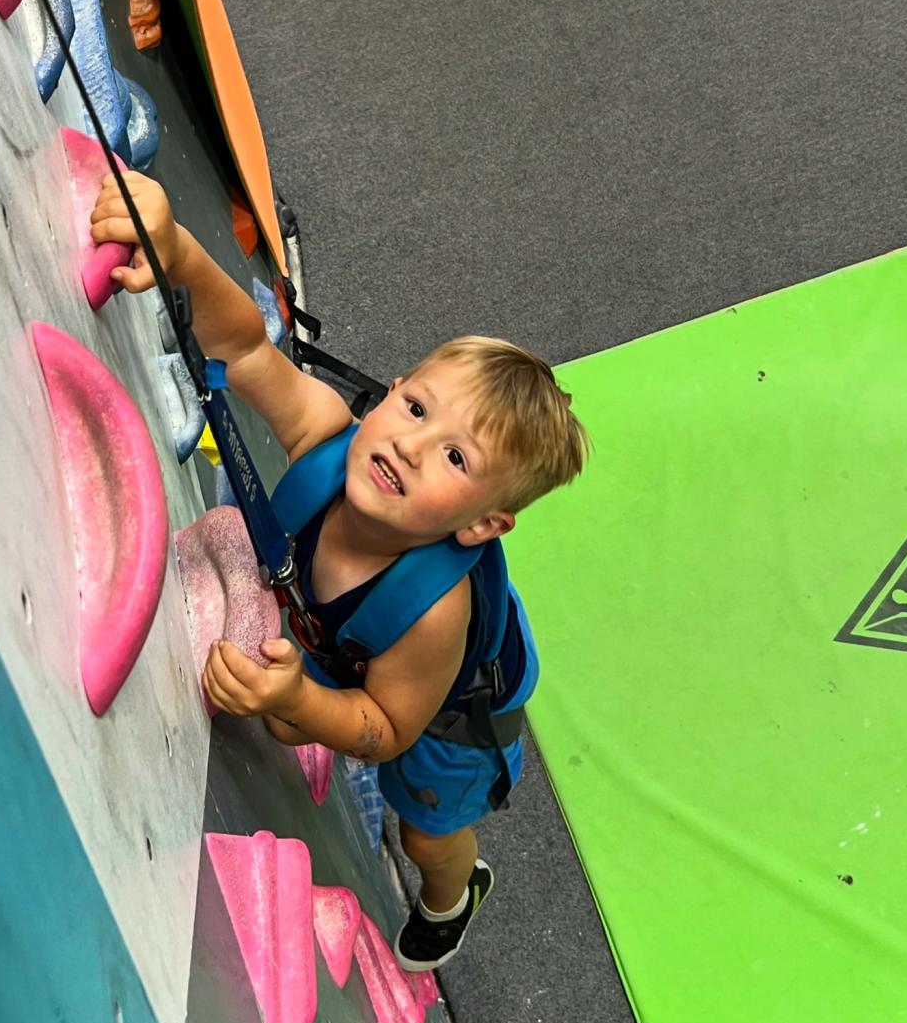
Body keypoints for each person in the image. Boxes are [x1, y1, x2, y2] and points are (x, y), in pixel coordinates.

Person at [92, 171, 588, 970]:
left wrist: (300, 701)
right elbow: (246, 346)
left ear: (482, 525)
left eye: (456, 458)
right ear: (388, 395)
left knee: (423, 827)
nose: (410, 446)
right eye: (416, 410)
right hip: (353, 643)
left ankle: (453, 897)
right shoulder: (331, 438)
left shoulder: (432, 616)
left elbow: (387, 729)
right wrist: (177, 248)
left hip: (448, 720)